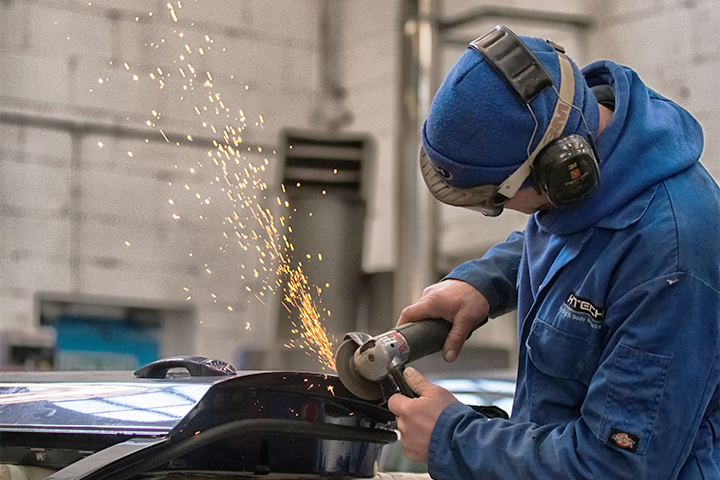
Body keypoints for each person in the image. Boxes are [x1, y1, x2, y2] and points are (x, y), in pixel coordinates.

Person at [387, 25, 720, 479]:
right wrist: (483, 282)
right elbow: (567, 236)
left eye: (499, 199)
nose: (506, 213)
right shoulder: (599, 169)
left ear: (564, 169)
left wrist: (452, 437)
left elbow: (614, 466)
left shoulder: (674, 260)